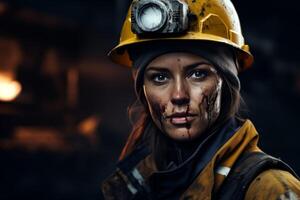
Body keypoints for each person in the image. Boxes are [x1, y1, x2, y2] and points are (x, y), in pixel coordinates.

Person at [101, 0, 300, 199]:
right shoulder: (139, 185)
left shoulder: (270, 190)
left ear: (226, 80)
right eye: (160, 77)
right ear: (142, 88)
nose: (179, 95)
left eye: (197, 74)